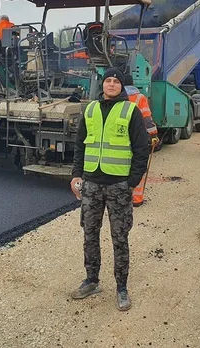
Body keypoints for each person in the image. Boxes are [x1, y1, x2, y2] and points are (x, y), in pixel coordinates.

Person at [70, 68, 149, 311]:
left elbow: (141, 148)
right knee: (90, 234)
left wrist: (132, 181)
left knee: (119, 237)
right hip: (92, 184)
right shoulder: (91, 109)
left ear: (122, 86)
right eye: (108, 80)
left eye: (116, 81)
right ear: (102, 84)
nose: (112, 84)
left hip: (118, 186)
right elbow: (80, 146)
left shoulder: (130, 111)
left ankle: (121, 288)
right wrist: (75, 175)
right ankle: (92, 280)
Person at [123, 74, 160, 207]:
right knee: (138, 167)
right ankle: (136, 198)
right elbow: (146, 119)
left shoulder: (117, 98)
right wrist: (154, 134)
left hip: (121, 137)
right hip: (138, 138)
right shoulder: (139, 98)